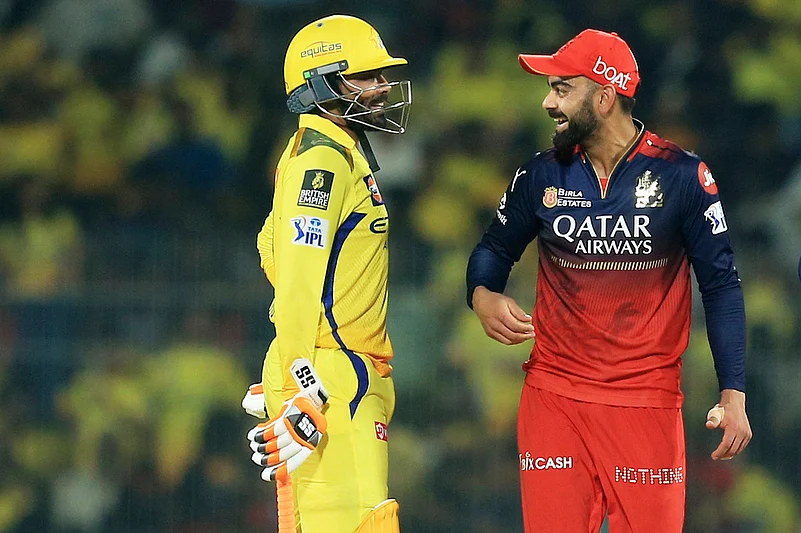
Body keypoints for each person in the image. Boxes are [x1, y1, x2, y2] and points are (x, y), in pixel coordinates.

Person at [465, 29, 752, 532]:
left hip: (646, 403)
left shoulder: (683, 176)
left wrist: (733, 393)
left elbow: (722, 286)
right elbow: (494, 248)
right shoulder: (541, 175)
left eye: (561, 89)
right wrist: (482, 294)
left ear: (603, 96)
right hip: (554, 400)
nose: (546, 101)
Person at [248, 14, 411, 533]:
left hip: (332, 368)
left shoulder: (328, 154)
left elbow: (271, 250)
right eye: (365, 76)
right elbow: (297, 277)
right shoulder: (323, 164)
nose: (382, 87)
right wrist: (300, 385)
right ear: (320, 84)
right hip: (330, 377)